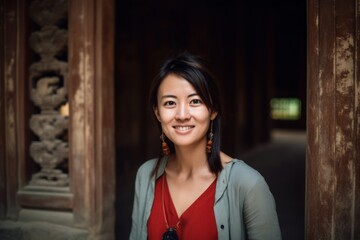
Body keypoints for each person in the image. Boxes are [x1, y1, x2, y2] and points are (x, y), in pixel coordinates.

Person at [130, 52, 281, 240]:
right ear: (158, 113)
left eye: (195, 101)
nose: (182, 114)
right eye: (170, 103)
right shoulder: (146, 175)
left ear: (213, 110)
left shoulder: (248, 183)